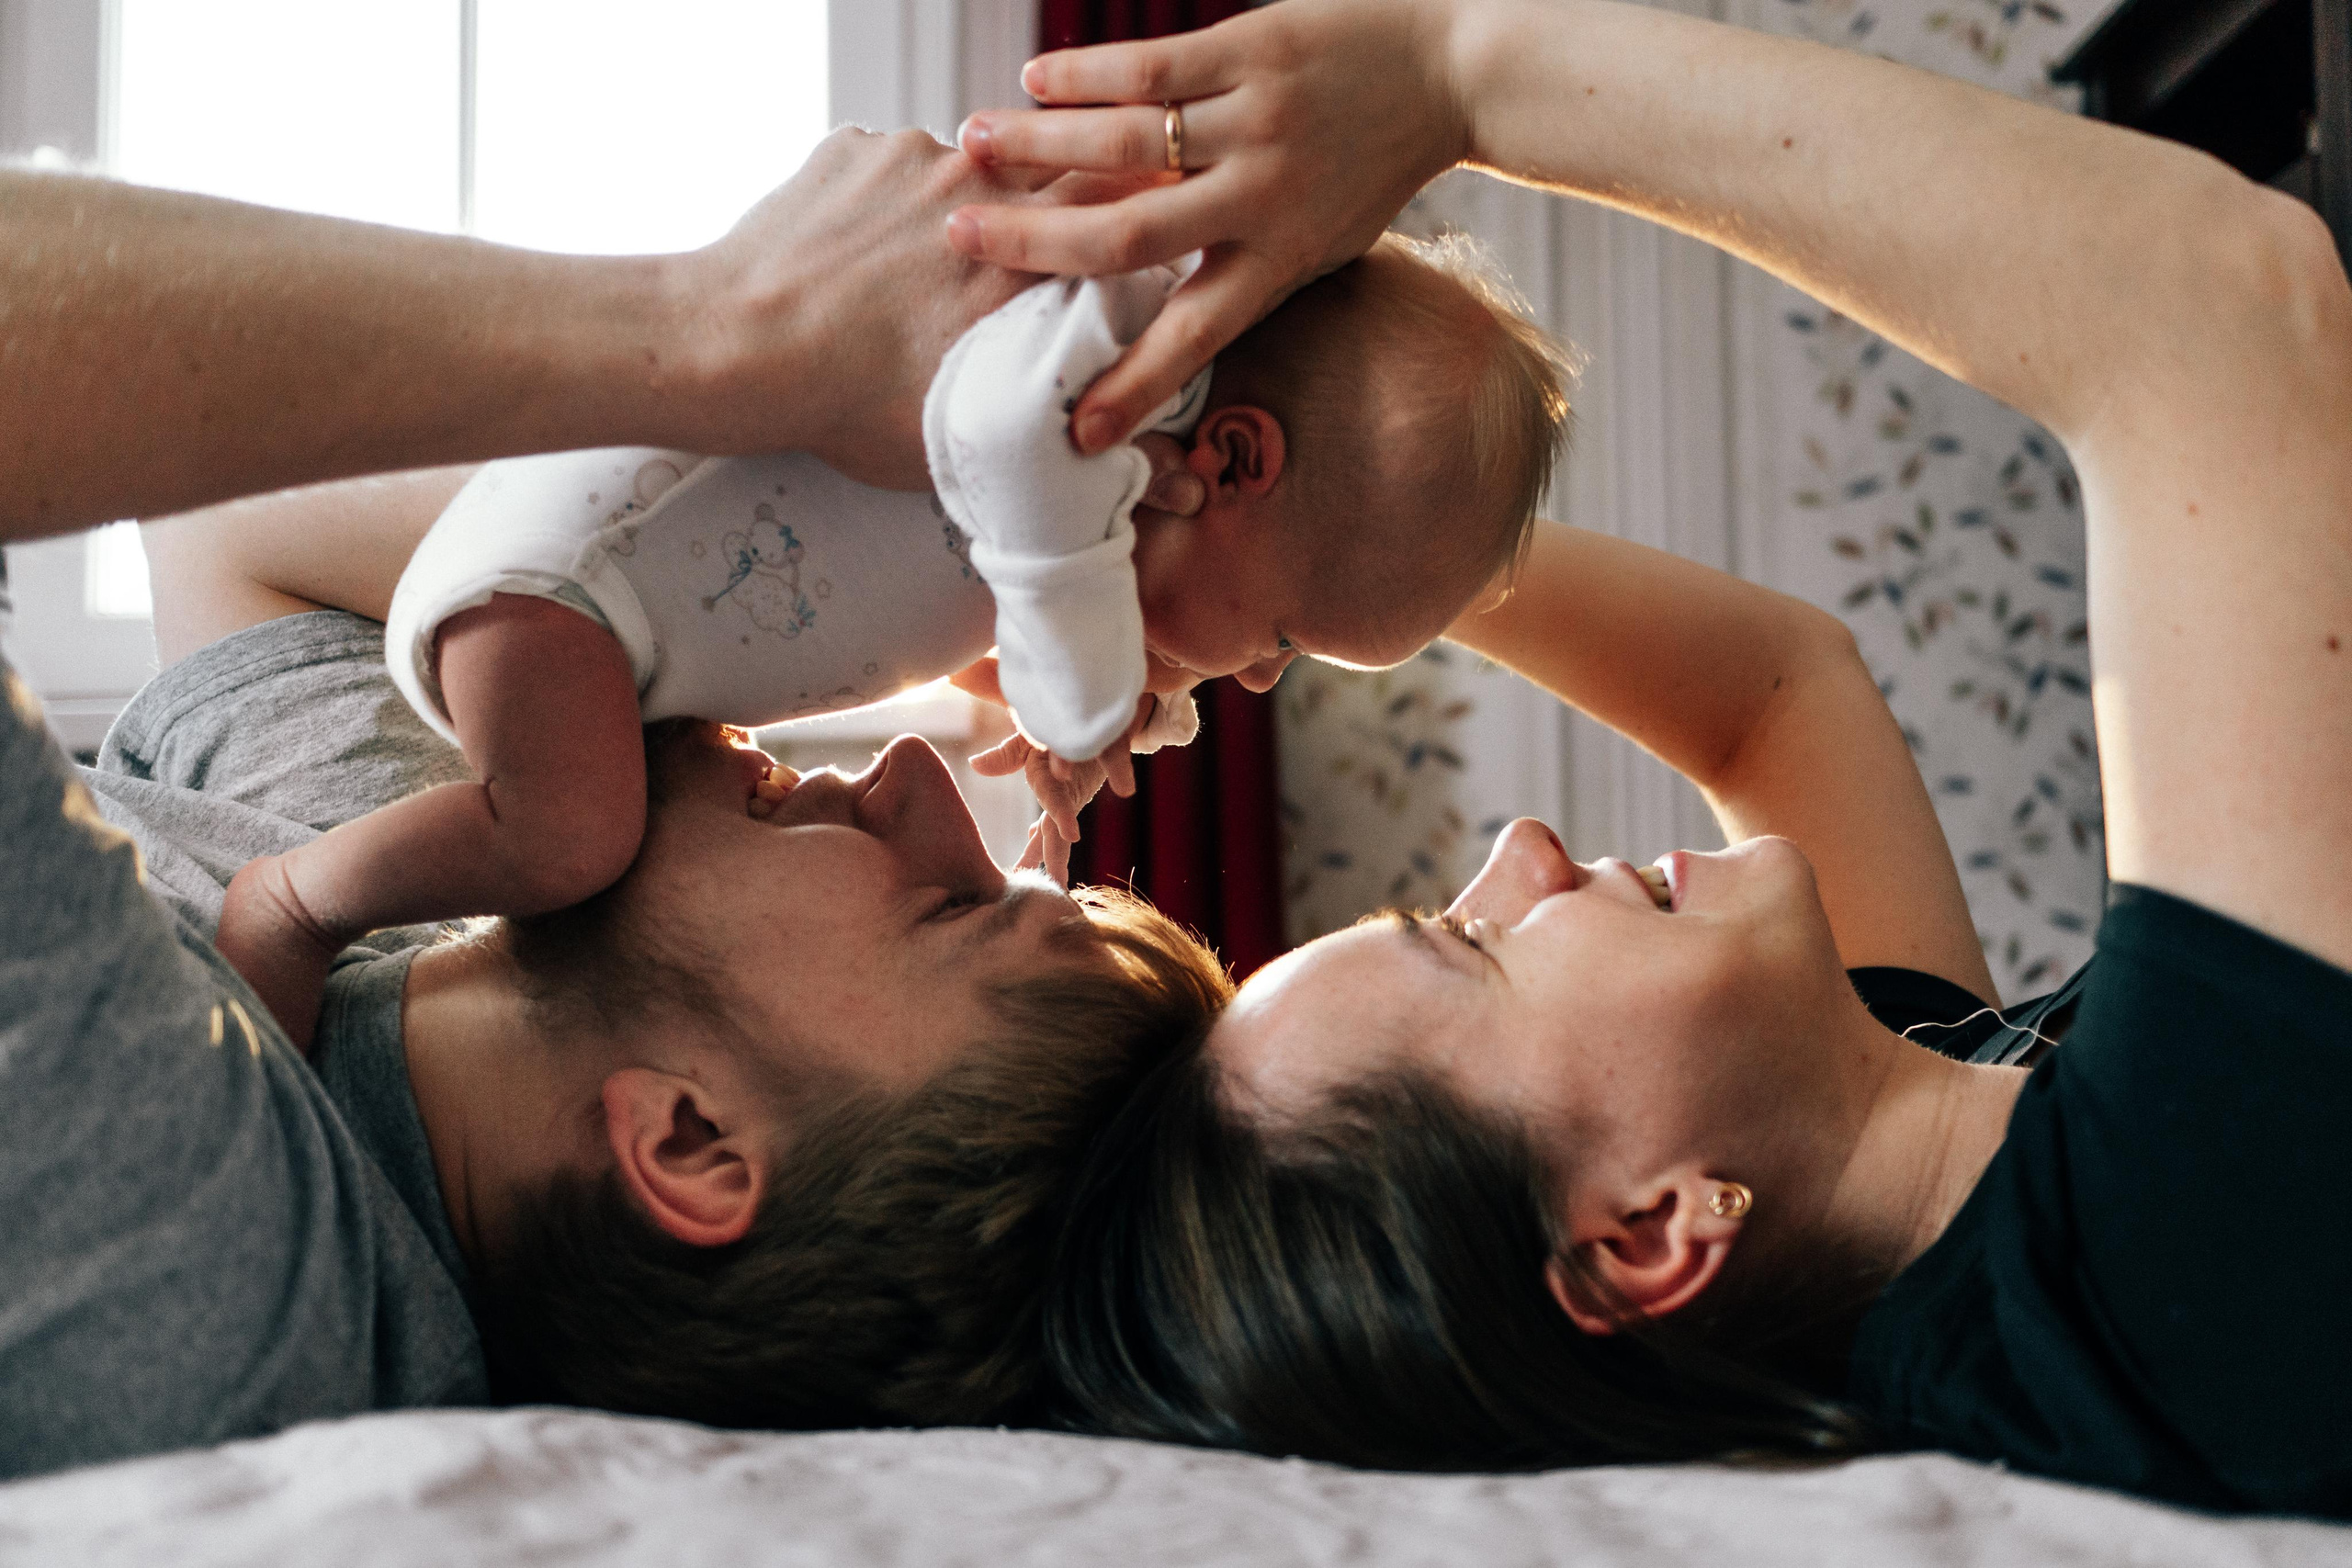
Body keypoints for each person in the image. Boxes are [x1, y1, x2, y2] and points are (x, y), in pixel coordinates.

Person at [948, 0, 2352, 1518]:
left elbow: (1769, 693)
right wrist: (1452, 79)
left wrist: (1282, 560)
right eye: (1474, 945)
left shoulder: (1912, 1132)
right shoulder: (2158, 1266)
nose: (1529, 848)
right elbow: (2225, 302)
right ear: (1643, 1236)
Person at [0, 130, 1232, 1481]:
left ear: (688, 1141)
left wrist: (718, 334)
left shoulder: (191, 1237)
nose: (920, 781)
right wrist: (875, 582)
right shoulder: (424, 961)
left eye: (953, 910)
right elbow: (230, 507)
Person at [207, 233, 1569, 1044]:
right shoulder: (1068, 388)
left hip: (600, 625)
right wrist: (1078, 679)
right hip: (555, 597)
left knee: (651, 812)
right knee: (565, 838)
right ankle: (299, 901)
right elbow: (993, 443)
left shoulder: (1089, 511)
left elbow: (983, 601)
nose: (1261, 674)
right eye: (1283, 633)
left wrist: (1071, 695)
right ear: (1229, 459)